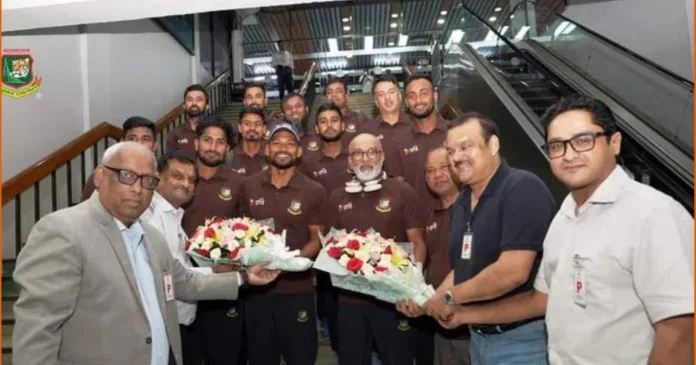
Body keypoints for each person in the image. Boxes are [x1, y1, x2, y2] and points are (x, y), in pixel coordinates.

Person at [440, 96, 695, 365]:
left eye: (583, 140)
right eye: (557, 146)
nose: (570, 154)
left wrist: (450, 297)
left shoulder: (653, 213)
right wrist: (463, 315)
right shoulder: (564, 218)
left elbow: (679, 328)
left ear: (614, 142)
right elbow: (538, 301)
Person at [11, 141, 280, 365]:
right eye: (127, 176)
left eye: (148, 181)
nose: (138, 189)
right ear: (100, 176)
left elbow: (184, 282)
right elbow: (37, 331)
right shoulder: (63, 230)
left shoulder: (151, 236)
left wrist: (244, 278)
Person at [418, 112, 556, 365]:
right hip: (478, 339)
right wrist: (430, 300)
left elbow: (512, 272)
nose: (456, 157)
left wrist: (449, 298)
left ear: (493, 145)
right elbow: (461, 269)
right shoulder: (462, 203)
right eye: (450, 151)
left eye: (465, 146)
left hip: (521, 342)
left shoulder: (522, 188)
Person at [328, 133, 426, 365]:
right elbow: (331, 247)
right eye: (358, 153)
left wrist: (413, 287)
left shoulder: (402, 191)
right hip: (350, 300)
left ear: (381, 156)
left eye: (372, 152)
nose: (365, 158)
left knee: (397, 359)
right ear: (349, 161)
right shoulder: (337, 196)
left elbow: (418, 243)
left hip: (393, 300)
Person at [238, 122, 328, 365]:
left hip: (297, 290)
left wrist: (285, 263)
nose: (283, 148)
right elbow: (242, 235)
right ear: (267, 150)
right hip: (257, 291)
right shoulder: (248, 186)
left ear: (299, 152)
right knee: (260, 357)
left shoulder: (314, 190)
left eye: (290, 143)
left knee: (301, 356)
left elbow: (316, 240)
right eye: (276, 142)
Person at [180, 116, 247, 365]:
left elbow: (249, 232)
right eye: (207, 140)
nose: (213, 147)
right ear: (196, 143)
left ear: (228, 148)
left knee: (225, 354)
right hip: (183, 281)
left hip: (222, 282)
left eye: (220, 142)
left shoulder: (240, 184)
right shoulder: (179, 180)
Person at [399, 147, 469, 365]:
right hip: (441, 327)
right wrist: (411, 295)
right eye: (430, 170)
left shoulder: (475, 209)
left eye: (445, 167)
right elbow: (426, 267)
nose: (438, 174)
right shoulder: (429, 217)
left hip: (474, 327)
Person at [139, 150, 206, 365]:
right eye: (177, 176)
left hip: (179, 322)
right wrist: (222, 274)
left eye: (192, 180)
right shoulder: (149, 216)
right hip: (161, 324)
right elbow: (167, 274)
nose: (186, 184)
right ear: (158, 177)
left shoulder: (174, 215)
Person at [299, 103, 351, 354]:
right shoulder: (307, 163)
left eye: (334, 120)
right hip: (323, 249)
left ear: (343, 124)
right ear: (316, 129)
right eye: (323, 121)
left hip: (357, 249)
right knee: (332, 308)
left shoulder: (357, 156)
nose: (329, 125)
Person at [386, 76, 449, 209]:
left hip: (458, 217)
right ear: (407, 102)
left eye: (424, 93)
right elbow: (398, 188)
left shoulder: (454, 133)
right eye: (412, 96)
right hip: (418, 222)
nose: (418, 101)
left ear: (435, 96)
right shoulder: (398, 141)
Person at [80, 116, 157, 201]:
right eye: (132, 138)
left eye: (146, 139)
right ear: (122, 142)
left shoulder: (161, 176)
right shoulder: (105, 174)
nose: (138, 144)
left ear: (155, 146)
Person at [359, 74, 414, 172]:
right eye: (381, 94)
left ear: (400, 96)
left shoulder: (415, 124)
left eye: (391, 92)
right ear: (376, 102)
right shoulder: (366, 132)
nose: (387, 97)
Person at [166, 84, 214, 161]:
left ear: (207, 106)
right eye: (190, 100)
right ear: (184, 105)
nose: (194, 103)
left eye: (199, 100)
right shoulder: (175, 134)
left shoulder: (216, 131)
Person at [323, 78, 370, 145]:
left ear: (346, 95)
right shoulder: (321, 123)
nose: (334, 95)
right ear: (325, 98)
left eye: (339, 91)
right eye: (329, 92)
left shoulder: (359, 118)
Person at [227, 107, 269, 176]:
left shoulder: (272, 155)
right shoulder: (229, 158)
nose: (252, 128)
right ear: (240, 127)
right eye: (247, 124)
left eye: (257, 124)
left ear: (264, 128)